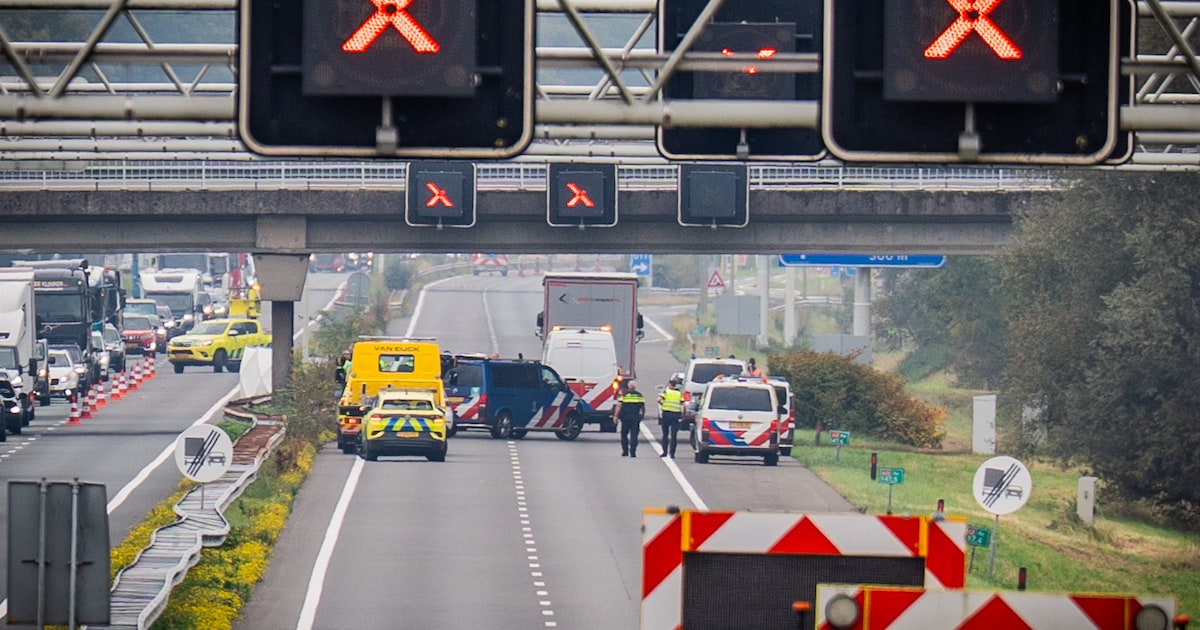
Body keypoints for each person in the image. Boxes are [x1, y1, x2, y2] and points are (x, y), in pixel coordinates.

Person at [613, 380, 645, 457]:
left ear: (628, 386)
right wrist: (642, 416)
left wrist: (616, 416)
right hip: (635, 417)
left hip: (625, 417)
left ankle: (625, 451)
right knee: (634, 435)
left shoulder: (624, 395)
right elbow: (642, 407)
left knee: (624, 434)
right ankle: (633, 451)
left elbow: (619, 405)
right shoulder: (639, 395)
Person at [657, 378, 684, 458]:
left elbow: (658, 400)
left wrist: (663, 404)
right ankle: (672, 453)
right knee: (674, 435)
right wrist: (683, 414)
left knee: (665, 434)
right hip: (675, 415)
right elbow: (683, 405)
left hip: (666, 414)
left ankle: (664, 452)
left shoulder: (666, 392)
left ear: (670, 385)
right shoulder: (679, 393)